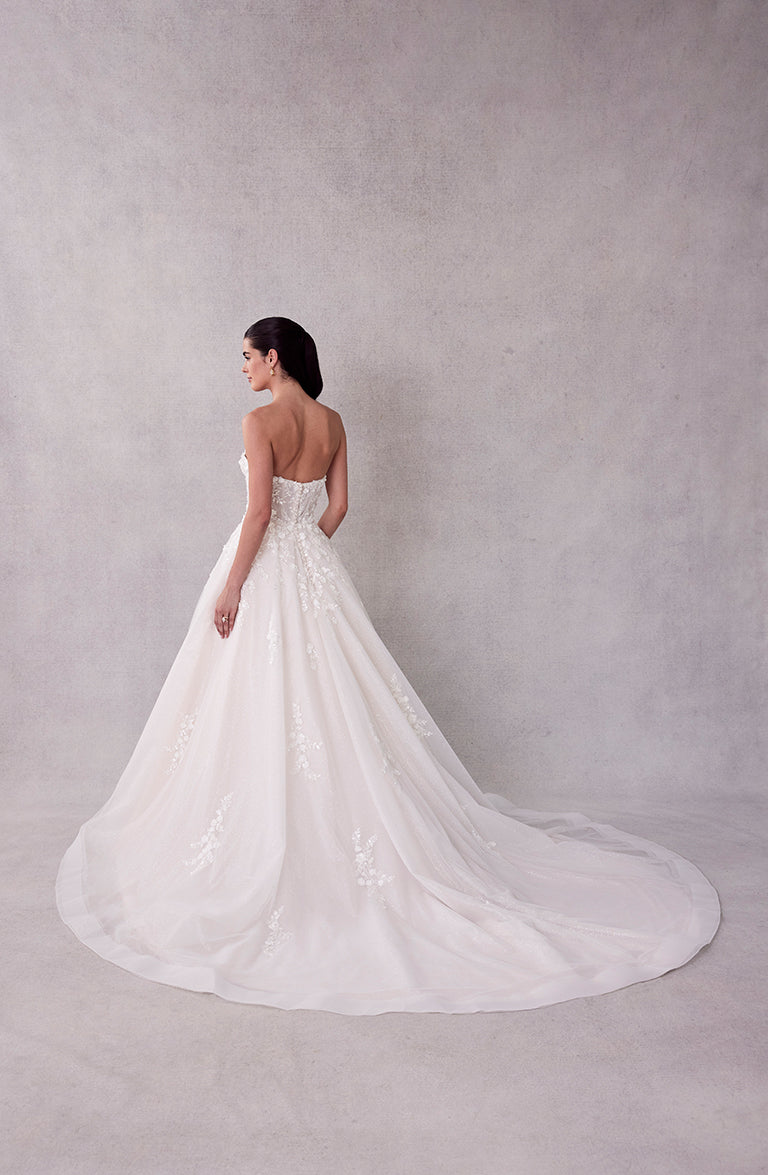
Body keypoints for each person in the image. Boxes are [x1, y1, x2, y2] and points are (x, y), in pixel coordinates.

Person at [56, 316, 720, 1015]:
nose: (243, 370)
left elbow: (256, 516)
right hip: (315, 570)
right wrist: (305, 553)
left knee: (252, 697)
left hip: (263, 568)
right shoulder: (333, 420)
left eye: (248, 358)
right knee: (334, 699)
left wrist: (234, 588)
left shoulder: (259, 421)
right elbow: (340, 506)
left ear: (274, 359)